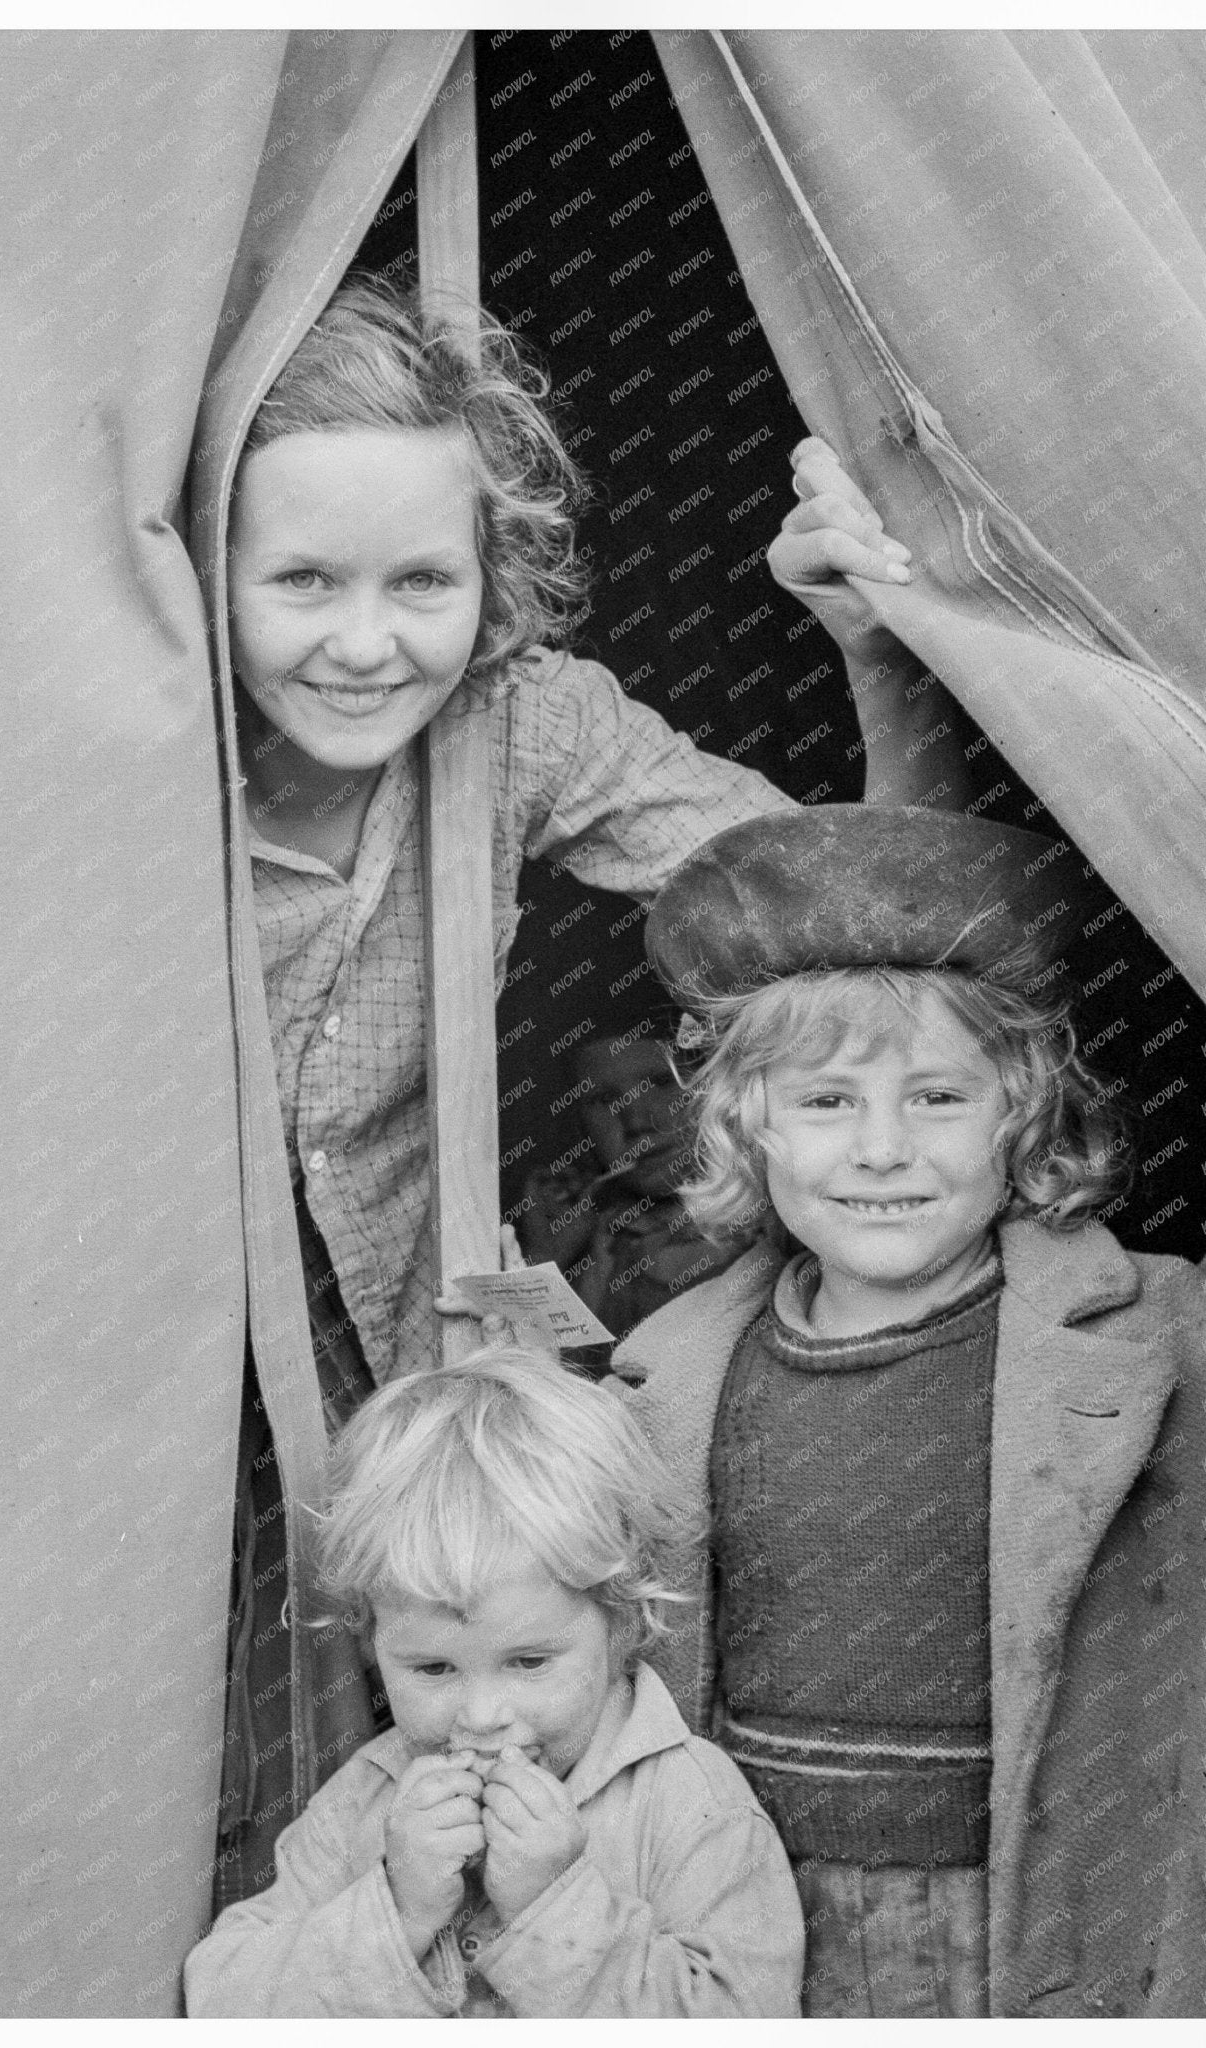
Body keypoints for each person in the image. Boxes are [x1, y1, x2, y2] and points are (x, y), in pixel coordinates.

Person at [218, 268, 955, 1900]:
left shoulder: (514, 724)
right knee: (213, 1841)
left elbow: (848, 911)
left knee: (463, 1833)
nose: (361, 640)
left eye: (420, 578)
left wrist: (873, 648)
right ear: (209, 578)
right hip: (145, 1422)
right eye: (300, 579)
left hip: (400, 1410)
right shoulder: (127, 753)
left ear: (490, 578)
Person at [612, 803, 1206, 2017]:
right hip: (756, 1913)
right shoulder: (669, 1374)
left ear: (1018, 1109)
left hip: (1075, 1913)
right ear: (742, 1121)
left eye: (933, 1097)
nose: (879, 1148)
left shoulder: (1200, 1331)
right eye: (822, 1102)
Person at [185, 1348, 804, 2016]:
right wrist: (398, 1910)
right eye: (433, 1668)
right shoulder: (366, 1797)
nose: (481, 1716)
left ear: (622, 1623)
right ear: (372, 1643)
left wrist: (553, 1905)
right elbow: (222, 1996)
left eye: (529, 1662)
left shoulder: (693, 1806)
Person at [516, 1032, 744, 1345]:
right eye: (604, 1100)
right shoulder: (598, 1239)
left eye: (661, 1082)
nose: (636, 1121)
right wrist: (548, 1256)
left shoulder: (780, 1232)